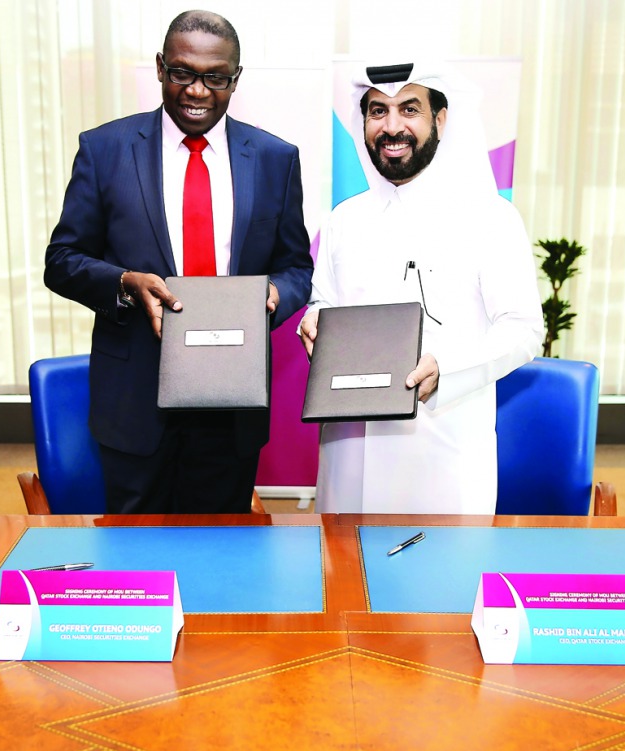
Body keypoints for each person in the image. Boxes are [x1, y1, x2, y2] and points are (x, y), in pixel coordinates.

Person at [45, 10, 313, 514]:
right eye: (182, 73)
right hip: (134, 398)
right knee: (133, 559)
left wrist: (274, 296)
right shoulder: (104, 150)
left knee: (220, 557)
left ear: (236, 78)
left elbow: (296, 267)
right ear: (160, 69)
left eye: (215, 78)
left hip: (232, 400)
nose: (197, 91)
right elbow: (61, 260)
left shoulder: (277, 159)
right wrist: (124, 283)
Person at [299, 62, 544, 514]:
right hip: (347, 455)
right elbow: (325, 300)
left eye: (409, 109)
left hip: (442, 453)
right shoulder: (343, 219)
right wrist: (316, 319)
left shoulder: (488, 218)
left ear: (441, 120)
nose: (392, 127)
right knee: (342, 578)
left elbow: (524, 329)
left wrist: (445, 367)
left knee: (440, 581)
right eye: (378, 111)